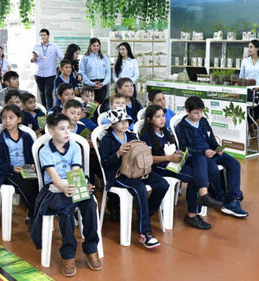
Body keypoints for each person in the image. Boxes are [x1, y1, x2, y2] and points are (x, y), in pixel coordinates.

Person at [30, 113, 102, 276]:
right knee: (65, 211)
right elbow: (54, 176)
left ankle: (91, 249)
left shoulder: (75, 146)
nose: (67, 132)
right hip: (55, 188)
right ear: (50, 131)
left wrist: (78, 186)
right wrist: (64, 187)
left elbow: (76, 170)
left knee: (90, 205)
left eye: (68, 128)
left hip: (74, 182)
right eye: (62, 129)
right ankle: (68, 255)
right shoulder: (45, 150)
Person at [140, 105, 221, 230]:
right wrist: (168, 158)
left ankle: (198, 205)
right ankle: (193, 214)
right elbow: (148, 159)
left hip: (173, 163)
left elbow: (172, 148)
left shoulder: (165, 131)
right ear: (149, 120)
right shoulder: (147, 135)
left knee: (199, 162)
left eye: (162, 116)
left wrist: (179, 154)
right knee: (195, 177)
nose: (162, 119)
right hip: (160, 167)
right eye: (157, 117)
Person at [99, 108, 168, 249]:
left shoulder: (132, 136)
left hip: (138, 171)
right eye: (120, 121)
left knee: (162, 184)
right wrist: (118, 153)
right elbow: (105, 164)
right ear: (112, 124)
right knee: (139, 189)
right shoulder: (107, 140)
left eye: (126, 121)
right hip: (118, 175)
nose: (125, 124)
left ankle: (146, 215)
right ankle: (145, 233)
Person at [175, 96, 248, 218]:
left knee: (234, 164)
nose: (199, 115)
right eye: (195, 113)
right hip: (199, 157)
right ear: (187, 111)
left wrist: (217, 148)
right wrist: (204, 152)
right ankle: (225, 201)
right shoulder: (181, 128)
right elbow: (184, 149)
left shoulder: (203, 121)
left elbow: (211, 139)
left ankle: (232, 198)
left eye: (201, 112)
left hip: (213, 153)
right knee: (213, 169)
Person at [0, 104, 38, 222]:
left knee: (37, 184)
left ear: (19, 119)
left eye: (11, 117)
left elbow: (32, 156)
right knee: (25, 185)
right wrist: (12, 169)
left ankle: (34, 214)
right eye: (4, 118)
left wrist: (32, 164)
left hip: (26, 169)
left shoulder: (26, 137)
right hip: (8, 172)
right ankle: (34, 217)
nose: (7, 121)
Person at [31, 29, 64, 109]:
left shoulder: (54, 46)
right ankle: (44, 111)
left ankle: (49, 111)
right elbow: (32, 60)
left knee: (48, 93)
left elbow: (61, 57)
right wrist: (34, 58)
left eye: (44, 35)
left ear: (48, 36)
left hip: (50, 74)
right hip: (38, 73)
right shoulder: (36, 46)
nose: (43, 37)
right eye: (41, 35)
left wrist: (62, 67)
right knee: (42, 94)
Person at [240, 39, 259, 123]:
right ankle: (251, 130)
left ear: (257, 49)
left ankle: (255, 129)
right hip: (247, 90)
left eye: (251, 47)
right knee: (247, 111)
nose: (249, 49)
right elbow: (241, 76)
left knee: (256, 113)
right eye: (248, 47)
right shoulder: (245, 61)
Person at [79, 38, 110, 103]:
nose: (96, 47)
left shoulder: (104, 57)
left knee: (100, 104)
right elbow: (82, 73)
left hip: (102, 84)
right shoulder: (85, 58)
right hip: (89, 84)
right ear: (90, 46)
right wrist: (92, 84)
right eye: (94, 45)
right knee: (89, 105)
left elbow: (108, 72)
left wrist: (103, 83)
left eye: (97, 45)